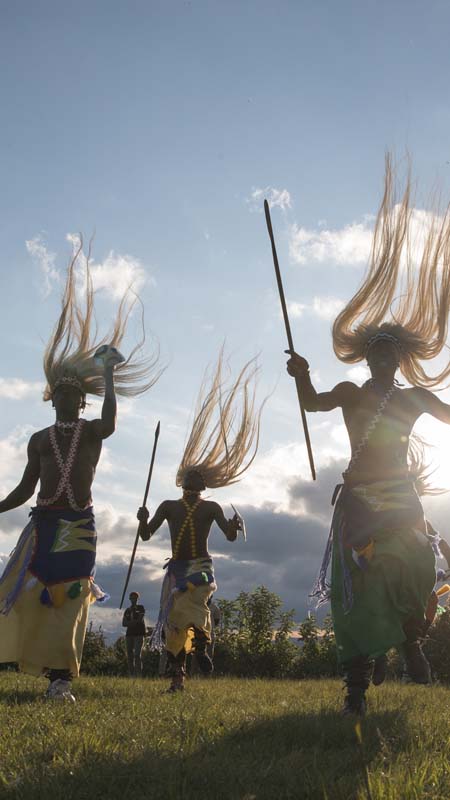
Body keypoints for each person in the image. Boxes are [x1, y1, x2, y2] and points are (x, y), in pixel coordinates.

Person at [287, 156, 450, 715]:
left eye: (391, 352)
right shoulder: (351, 394)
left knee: (417, 566)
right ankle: (356, 687)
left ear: (401, 358)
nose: (382, 358)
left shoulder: (412, 399)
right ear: (367, 355)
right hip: (359, 498)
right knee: (358, 586)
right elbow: (311, 404)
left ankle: (409, 640)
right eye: (375, 351)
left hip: (402, 498)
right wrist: (303, 374)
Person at [0, 243, 160, 701]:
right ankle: (31, 662)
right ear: (52, 399)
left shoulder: (92, 431)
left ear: (83, 401)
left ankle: (61, 680)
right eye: (61, 394)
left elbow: (111, 421)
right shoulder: (38, 439)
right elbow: (24, 489)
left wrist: (108, 375)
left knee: (70, 596)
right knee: (27, 592)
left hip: (78, 524)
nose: (68, 398)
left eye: (75, 393)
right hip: (43, 522)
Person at [137, 351, 263, 692]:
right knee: (178, 623)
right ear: (185, 482)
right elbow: (147, 536)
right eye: (190, 477)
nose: (193, 481)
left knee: (189, 614)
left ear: (200, 485)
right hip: (179, 569)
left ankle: (202, 649)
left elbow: (230, 539)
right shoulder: (168, 506)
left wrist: (235, 526)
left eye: (196, 478)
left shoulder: (209, 507)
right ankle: (183, 672)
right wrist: (142, 520)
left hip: (198, 569)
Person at [122, 591, 146, 677]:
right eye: (132, 598)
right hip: (129, 634)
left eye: (135, 598)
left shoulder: (141, 608)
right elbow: (123, 623)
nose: (133, 600)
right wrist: (132, 622)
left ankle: (138, 674)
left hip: (139, 634)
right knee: (129, 655)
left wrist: (130, 622)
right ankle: (131, 674)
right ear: (129, 599)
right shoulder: (127, 610)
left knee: (137, 655)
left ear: (137, 599)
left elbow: (140, 620)